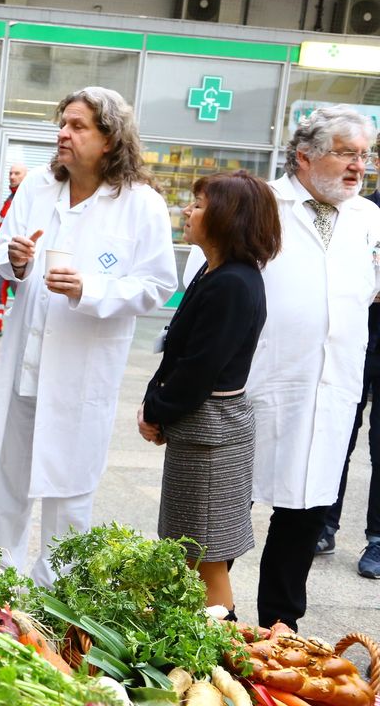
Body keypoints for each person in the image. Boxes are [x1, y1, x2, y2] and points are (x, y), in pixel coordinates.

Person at [0, 86, 177, 586]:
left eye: (77, 126)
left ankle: (57, 598)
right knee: (10, 485)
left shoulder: (142, 205)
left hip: (81, 371)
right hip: (26, 363)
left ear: (110, 139)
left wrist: (90, 288)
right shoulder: (37, 188)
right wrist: (17, 260)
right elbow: (3, 249)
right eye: (63, 123)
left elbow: (157, 284)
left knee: (69, 494)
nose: (63, 134)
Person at [242, 106, 380, 630]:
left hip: (332, 384)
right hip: (261, 381)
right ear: (304, 156)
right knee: (231, 506)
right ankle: (212, 614)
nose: (358, 166)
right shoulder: (260, 204)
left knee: (305, 511)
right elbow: (209, 280)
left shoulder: (369, 218)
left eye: (364, 155)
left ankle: (282, 625)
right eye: (346, 153)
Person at [138, 172, 281, 617]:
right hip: (200, 428)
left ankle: (221, 651)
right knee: (189, 549)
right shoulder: (213, 271)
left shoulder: (234, 283)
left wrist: (158, 411)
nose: (187, 210)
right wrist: (154, 399)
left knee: (204, 555)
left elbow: (201, 368)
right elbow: (178, 345)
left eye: (198, 204)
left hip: (212, 431)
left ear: (227, 218)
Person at [315, 224, 380, 577]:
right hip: (351, 341)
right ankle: (324, 527)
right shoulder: (359, 214)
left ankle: (378, 540)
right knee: (337, 436)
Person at [0, 162, 28, 337]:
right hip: (5, 253)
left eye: (17, 173)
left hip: (20, 256)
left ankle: (25, 327)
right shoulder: (11, 198)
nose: (12, 176)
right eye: (11, 173)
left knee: (24, 293)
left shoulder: (26, 197)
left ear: (25, 176)